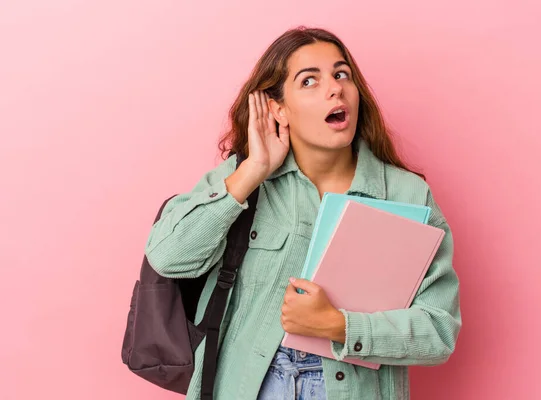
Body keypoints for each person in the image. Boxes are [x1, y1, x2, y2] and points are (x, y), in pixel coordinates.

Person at [144, 26, 461, 400]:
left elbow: (439, 331)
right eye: (309, 81)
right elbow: (167, 257)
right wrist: (252, 170)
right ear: (278, 108)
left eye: (341, 74)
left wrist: (340, 326)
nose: (335, 88)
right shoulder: (243, 177)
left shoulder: (408, 195)